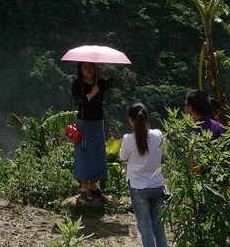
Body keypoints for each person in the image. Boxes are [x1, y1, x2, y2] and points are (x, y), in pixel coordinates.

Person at [118, 103, 168, 247]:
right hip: (157, 185)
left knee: (145, 226)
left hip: (138, 186)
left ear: (131, 119)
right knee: (159, 225)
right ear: (147, 118)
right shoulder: (158, 134)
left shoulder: (128, 139)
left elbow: (122, 157)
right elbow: (164, 155)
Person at [71, 61, 116, 200]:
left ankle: (93, 185)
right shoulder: (77, 84)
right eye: (85, 67)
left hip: (98, 122)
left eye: (91, 66)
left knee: (97, 152)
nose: (88, 69)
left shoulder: (99, 82)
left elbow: (112, 82)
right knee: (84, 153)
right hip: (84, 123)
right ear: (80, 68)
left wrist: (100, 73)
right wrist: (92, 93)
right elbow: (79, 102)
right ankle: (84, 187)